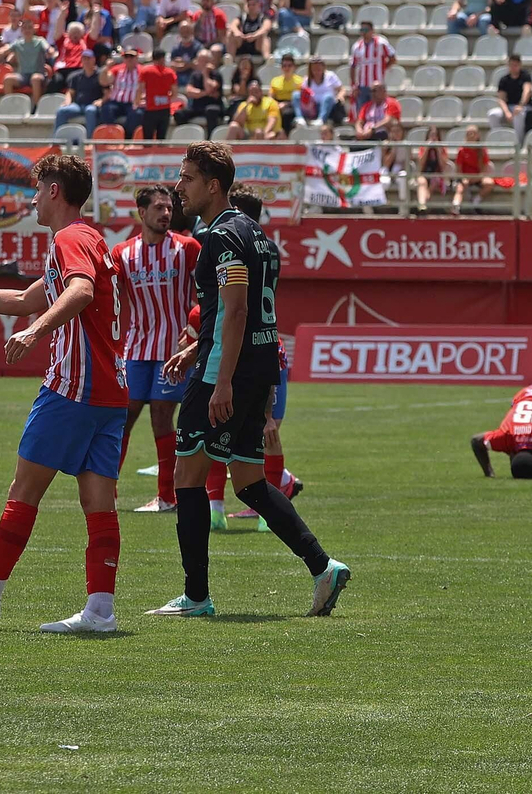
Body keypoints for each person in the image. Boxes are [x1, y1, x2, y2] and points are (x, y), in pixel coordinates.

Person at [149, 142, 351, 619]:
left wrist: (219, 381)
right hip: (258, 368)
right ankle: (323, 566)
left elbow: (236, 310)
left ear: (212, 185)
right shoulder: (258, 235)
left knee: (188, 478)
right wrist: (194, 348)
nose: (180, 187)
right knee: (249, 481)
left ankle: (196, 597)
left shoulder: (221, 237)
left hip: (229, 373)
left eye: (187, 178)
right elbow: (237, 312)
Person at [0, 154, 127, 633]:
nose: (33, 198)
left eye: (38, 189)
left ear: (55, 191)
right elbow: (24, 300)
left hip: (72, 389)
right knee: (99, 504)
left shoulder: (68, 238)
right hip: (110, 394)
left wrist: (35, 333)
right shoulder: (92, 238)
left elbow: (77, 292)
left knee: (24, 490)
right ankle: (100, 611)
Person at [200, 186, 306, 532]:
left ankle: (220, 507)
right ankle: (269, 499)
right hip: (268, 343)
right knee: (263, 430)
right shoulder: (269, 247)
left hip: (242, 344)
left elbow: (235, 305)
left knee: (217, 432)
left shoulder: (231, 239)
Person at [110, 185, 200, 513]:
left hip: (171, 351)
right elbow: (113, 300)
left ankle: (167, 497)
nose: (166, 213)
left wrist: (193, 334)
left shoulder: (187, 248)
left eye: (169, 208)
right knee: (123, 417)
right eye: (159, 208)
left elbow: (207, 294)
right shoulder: (123, 253)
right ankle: (108, 490)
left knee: (162, 418)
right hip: (135, 349)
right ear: (142, 212)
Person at [130, 48, 179, 141]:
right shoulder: (170, 73)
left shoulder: (146, 71)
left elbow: (139, 89)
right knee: (162, 139)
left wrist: (136, 102)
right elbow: (175, 93)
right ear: (163, 58)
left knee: (147, 139)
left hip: (151, 109)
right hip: (165, 109)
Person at [489, 53, 532, 141]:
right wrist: (506, 112)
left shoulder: (525, 76)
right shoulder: (504, 80)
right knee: (493, 115)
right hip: (509, 107)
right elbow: (501, 99)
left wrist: (520, 105)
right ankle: (499, 139)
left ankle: (518, 142)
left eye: (516, 65)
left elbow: (527, 92)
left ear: (520, 65)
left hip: (524, 107)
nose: (513, 67)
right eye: (511, 65)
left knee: (518, 115)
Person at [451, 125, 495, 214]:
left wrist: (476, 178)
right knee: (459, 189)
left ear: (478, 135)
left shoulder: (482, 150)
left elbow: (484, 169)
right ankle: (455, 207)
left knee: (489, 183)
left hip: (478, 177)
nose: (471, 136)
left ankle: (476, 200)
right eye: (468, 134)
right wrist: (464, 179)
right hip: (464, 177)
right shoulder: (461, 150)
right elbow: (458, 170)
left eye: (473, 133)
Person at [350, 21, 396, 106]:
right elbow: (353, 66)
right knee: (362, 112)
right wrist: (354, 85)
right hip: (362, 86)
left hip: (377, 85)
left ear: (372, 30)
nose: (364, 32)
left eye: (366, 29)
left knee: (379, 110)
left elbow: (392, 57)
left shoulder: (381, 43)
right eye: (362, 30)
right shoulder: (357, 46)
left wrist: (384, 67)